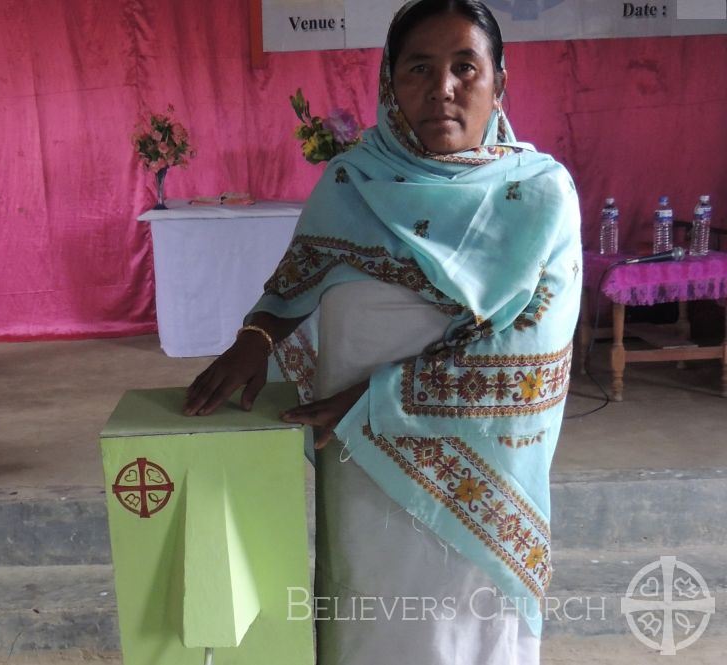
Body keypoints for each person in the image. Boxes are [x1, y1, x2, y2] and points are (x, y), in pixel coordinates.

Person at [185, 0, 581, 662]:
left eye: (465, 67)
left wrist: (374, 405)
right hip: (360, 475)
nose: (443, 88)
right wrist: (257, 335)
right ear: (389, 84)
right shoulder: (351, 181)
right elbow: (300, 278)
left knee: (462, 638)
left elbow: (530, 357)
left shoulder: (540, 197)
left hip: (476, 487)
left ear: (500, 81)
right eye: (419, 68)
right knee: (370, 623)